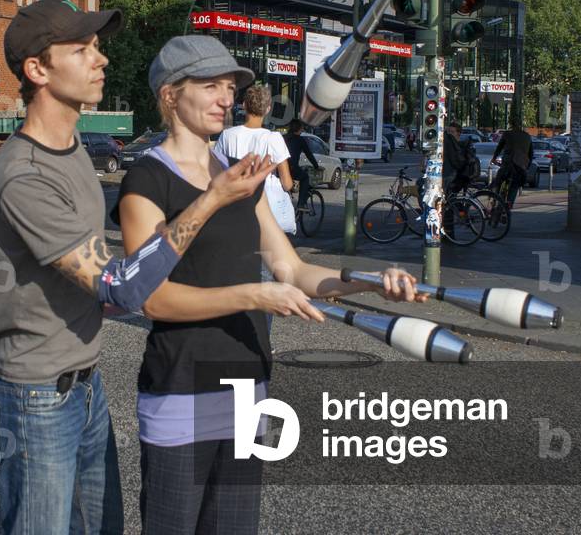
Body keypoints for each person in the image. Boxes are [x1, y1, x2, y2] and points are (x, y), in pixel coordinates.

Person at [0, 0, 275, 535]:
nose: (102, 61)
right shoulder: (23, 177)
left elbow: (118, 282)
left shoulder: (70, 151)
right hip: (35, 395)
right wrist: (211, 201)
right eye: (82, 50)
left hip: (84, 387)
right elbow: (122, 290)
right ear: (38, 70)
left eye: (97, 47)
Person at [115, 34, 426, 534]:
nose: (226, 98)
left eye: (231, 87)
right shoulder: (147, 180)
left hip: (247, 386)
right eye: (211, 85)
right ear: (171, 95)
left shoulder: (243, 176)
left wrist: (369, 282)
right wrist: (254, 295)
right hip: (180, 390)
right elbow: (152, 298)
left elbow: (292, 270)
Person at [214, 84, 295, 234]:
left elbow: (215, 171)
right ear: (268, 109)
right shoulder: (274, 138)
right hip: (267, 212)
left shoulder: (228, 136)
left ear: (244, 105)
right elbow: (286, 183)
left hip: (235, 207)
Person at [491, 119, 535, 206]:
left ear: (511, 126)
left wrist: (494, 158)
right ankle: (509, 204)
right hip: (520, 166)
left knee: (498, 181)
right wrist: (526, 167)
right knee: (515, 185)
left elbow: (499, 148)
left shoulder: (507, 134)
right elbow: (531, 154)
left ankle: (494, 200)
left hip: (508, 164)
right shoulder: (527, 136)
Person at [284, 118, 320, 212]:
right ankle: (301, 204)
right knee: (305, 177)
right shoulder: (300, 140)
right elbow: (309, 154)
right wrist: (316, 166)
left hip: (280, 169)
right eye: (302, 128)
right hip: (291, 168)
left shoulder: (283, 137)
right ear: (299, 129)